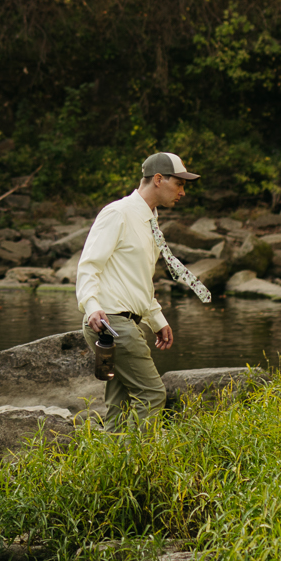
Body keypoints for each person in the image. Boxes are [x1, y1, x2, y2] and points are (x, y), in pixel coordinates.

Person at [76, 151, 211, 424]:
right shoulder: (118, 213)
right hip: (111, 324)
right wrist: (91, 307)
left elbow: (138, 279)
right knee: (152, 394)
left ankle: (111, 463)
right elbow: (89, 265)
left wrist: (157, 319)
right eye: (180, 184)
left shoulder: (150, 220)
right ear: (159, 179)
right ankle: (139, 463)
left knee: (119, 405)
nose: (183, 193)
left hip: (123, 324)